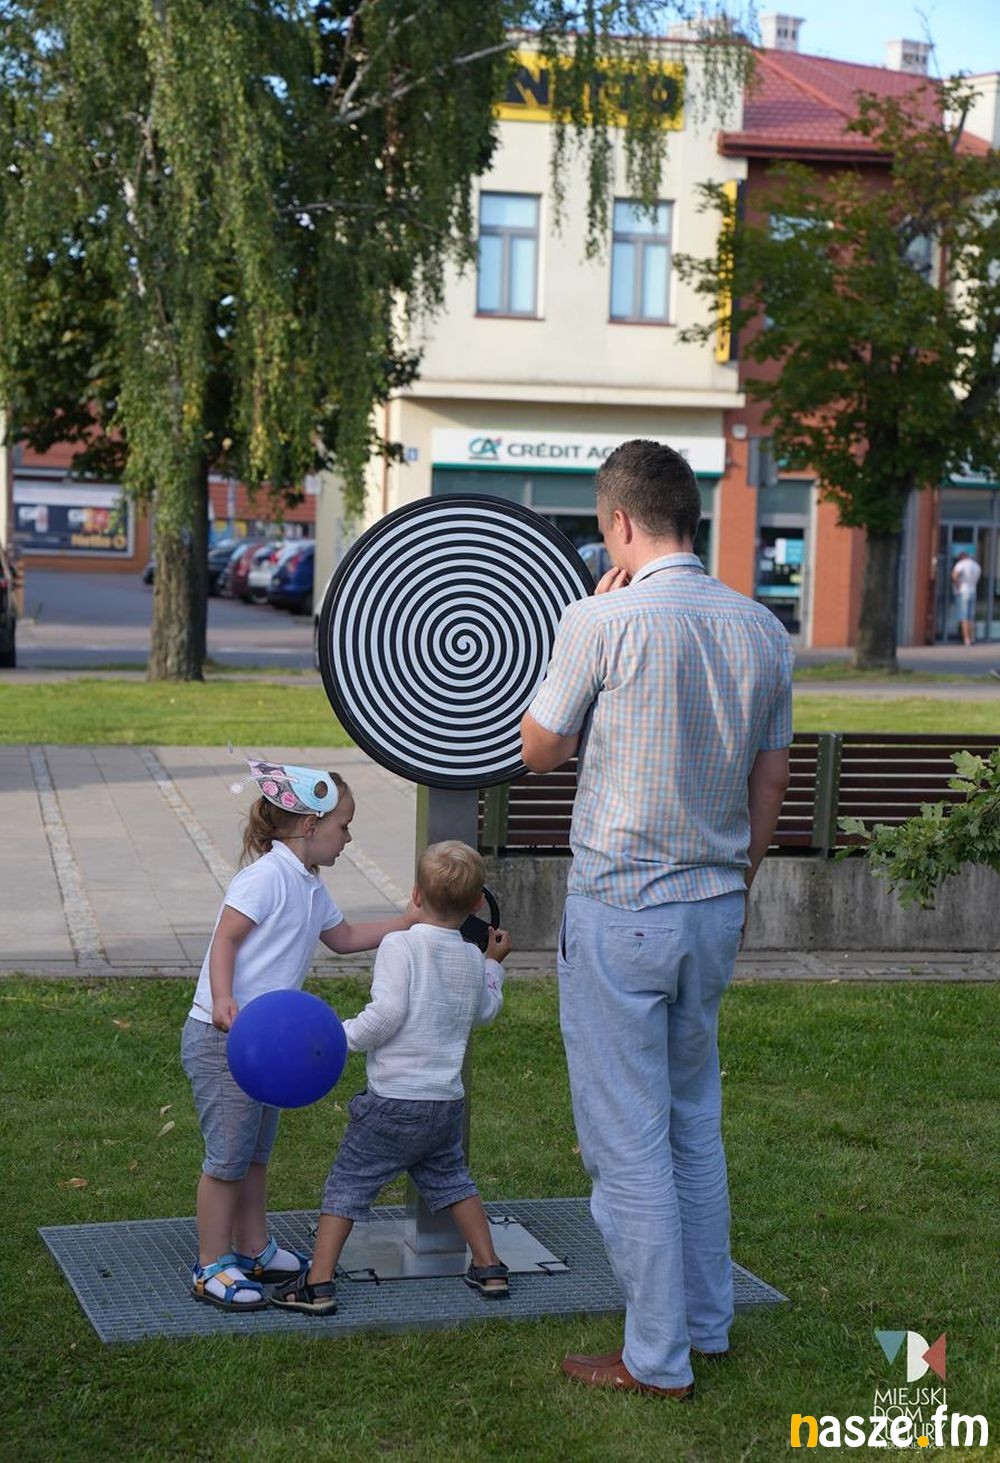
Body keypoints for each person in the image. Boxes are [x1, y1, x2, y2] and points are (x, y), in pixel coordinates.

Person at [520, 439, 793, 1401]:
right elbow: (772, 779)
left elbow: (540, 749)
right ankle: (705, 1325)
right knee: (692, 1124)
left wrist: (584, 625)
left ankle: (656, 1357)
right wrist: (738, 880)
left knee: (626, 1141)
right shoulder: (763, 628)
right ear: (691, 516)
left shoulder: (601, 619)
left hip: (623, 906)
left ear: (621, 522)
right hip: (714, 906)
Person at [182, 758, 415, 1311]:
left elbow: (344, 937)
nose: (348, 838)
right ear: (311, 826)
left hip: (266, 1049)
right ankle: (210, 1266)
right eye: (343, 826)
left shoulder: (310, 883)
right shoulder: (267, 877)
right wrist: (222, 997)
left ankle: (253, 1249)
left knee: (255, 1153)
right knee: (228, 1158)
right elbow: (225, 938)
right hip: (223, 1040)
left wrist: (408, 922)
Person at [271, 839, 512, 1316]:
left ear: (416, 896)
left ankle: (318, 1283)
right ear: (475, 907)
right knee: (454, 1181)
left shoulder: (399, 945)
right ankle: (490, 1267)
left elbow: (386, 1015)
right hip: (444, 1104)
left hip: (392, 1103)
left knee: (347, 1184)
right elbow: (484, 1010)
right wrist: (492, 965)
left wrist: (338, 1037)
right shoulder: (471, 957)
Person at [951, 550, 981, 647]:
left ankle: (966, 639)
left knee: (964, 617)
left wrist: (957, 586)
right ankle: (972, 637)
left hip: (963, 592)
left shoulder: (961, 564)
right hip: (973, 591)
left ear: (961, 557)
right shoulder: (976, 566)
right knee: (970, 617)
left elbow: (954, 575)